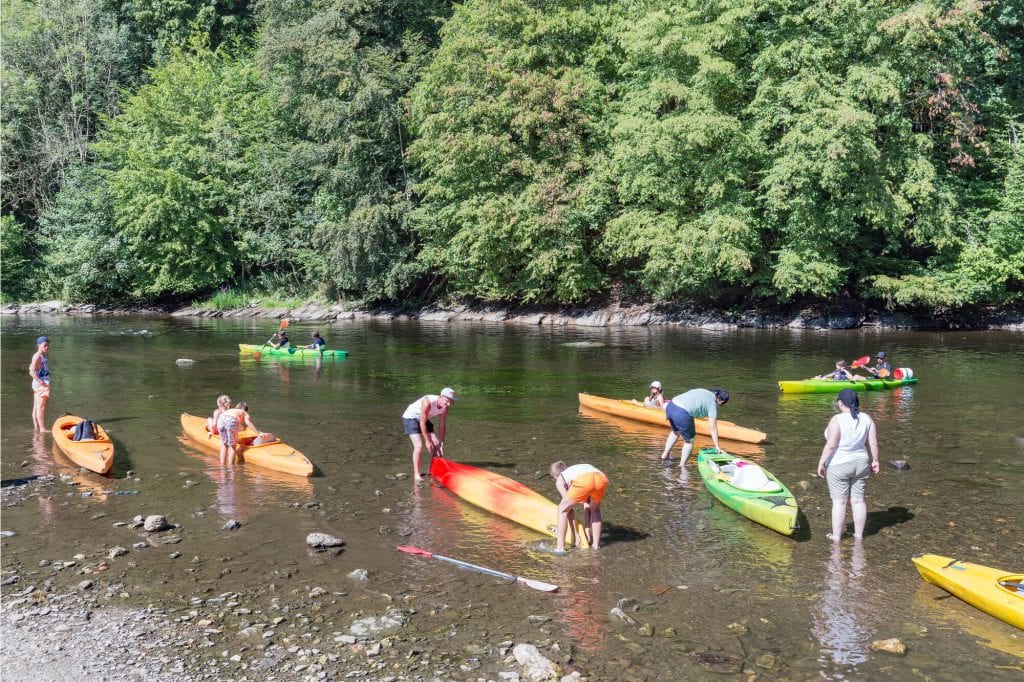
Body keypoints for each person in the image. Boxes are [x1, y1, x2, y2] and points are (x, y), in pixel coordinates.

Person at [817, 389, 880, 542]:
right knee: (858, 501)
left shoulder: (837, 420)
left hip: (839, 465)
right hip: (861, 463)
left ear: (840, 403)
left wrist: (821, 463)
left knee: (839, 502)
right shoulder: (867, 418)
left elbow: (831, 445)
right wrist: (875, 460)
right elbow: (873, 443)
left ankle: (837, 537)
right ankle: (858, 536)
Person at [551, 461, 608, 552]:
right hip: (601, 477)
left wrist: (575, 534)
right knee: (595, 509)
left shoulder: (560, 480)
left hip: (584, 480)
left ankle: (560, 548)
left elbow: (568, 510)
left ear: (555, 477)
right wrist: (586, 530)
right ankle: (596, 546)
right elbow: (587, 506)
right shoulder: (574, 472)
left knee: (562, 509)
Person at [661, 388, 729, 464]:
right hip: (682, 412)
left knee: (676, 432)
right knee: (689, 441)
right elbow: (713, 427)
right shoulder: (713, 405)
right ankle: (682, 466)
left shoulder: (704, 391)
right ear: (722, 402)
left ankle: (665, 455)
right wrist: (717, 446)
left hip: (671, 405)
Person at [402, 387, 456, 481]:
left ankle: (434, 470)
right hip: (411, 418)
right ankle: (416, 474)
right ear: (441, 396)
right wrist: (427, 441)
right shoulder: (428, 402)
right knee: (419, 445)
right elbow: (422, 422)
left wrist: (441, 443)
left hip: (424, 418)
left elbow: (442, 425)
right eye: (447, 400)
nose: (449, 404)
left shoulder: (445, 407)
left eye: (451, 401)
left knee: (436, 444)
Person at [29, 336, 51, 432]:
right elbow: (31, 372)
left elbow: (31, 368)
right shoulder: (37, 356)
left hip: (39, 384)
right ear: (39, 345)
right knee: (41, 408)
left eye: (48, 345)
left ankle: (36, 428)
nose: (47, 347)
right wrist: (41, 382)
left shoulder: (40, 356)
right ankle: (42, 429)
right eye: (45, 345)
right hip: (41, 385)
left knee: (36, 407)